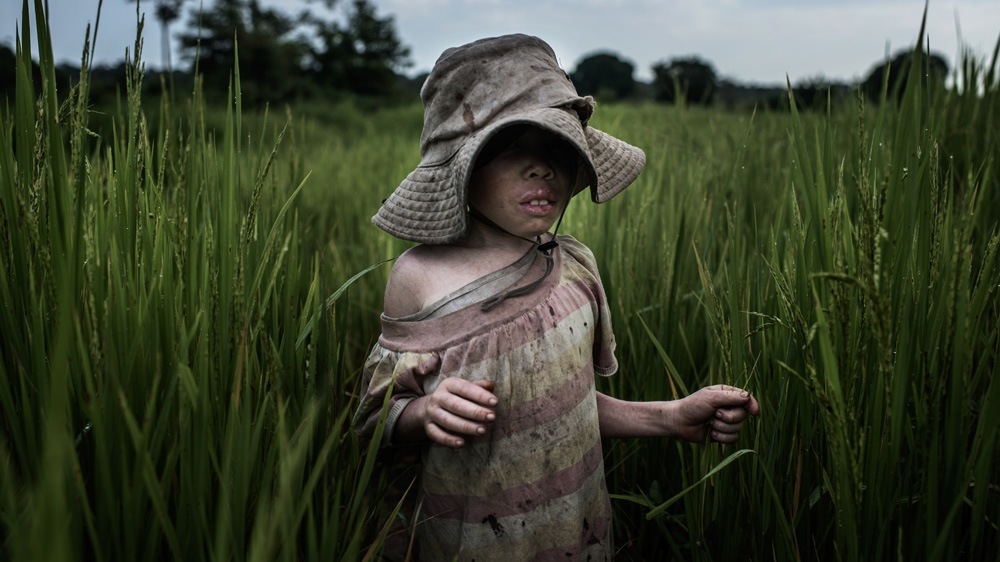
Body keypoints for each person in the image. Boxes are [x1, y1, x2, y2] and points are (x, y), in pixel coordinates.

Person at [353, 34, 760, 562]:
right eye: (512, 148)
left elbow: (563, 407)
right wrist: (424, 411)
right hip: (465, 540)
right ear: (462, 169)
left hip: (576, 529)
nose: (541, 167)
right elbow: (372, 416)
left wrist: (670, 417)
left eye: (557, 148)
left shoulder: (573, 266)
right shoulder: (421, 277)